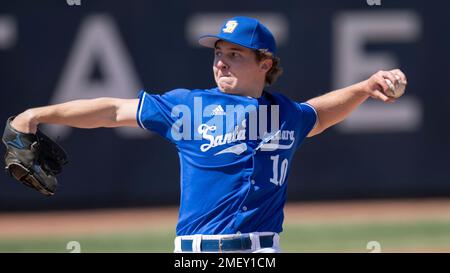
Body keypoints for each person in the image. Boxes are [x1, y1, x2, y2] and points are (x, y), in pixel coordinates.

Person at [7, 16, 406, 253]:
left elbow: (318, 114)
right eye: (218, 52)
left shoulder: (284, 113)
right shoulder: (188, 108)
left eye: (235, 54)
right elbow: (113, 110)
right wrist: (37, 114)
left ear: (264, 63)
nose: (221, 62)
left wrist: (364, 87)